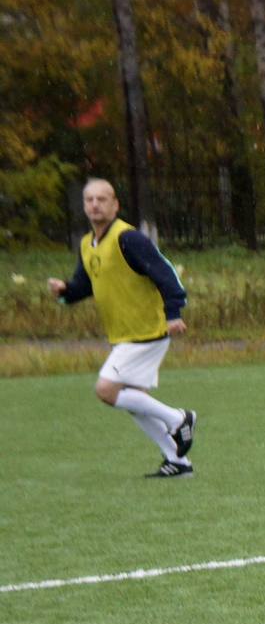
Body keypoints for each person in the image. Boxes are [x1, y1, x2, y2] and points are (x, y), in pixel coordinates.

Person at [46, 178, 196, 478]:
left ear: (115, 205)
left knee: (106, 390)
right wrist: (63, 291)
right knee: (134, 400)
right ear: (84, 206)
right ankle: (177, 461)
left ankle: (179, 417)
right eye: (89, 200)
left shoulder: (128, 238)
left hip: (146, 331)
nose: (95, 204)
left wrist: (173, 312)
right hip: (124, 334)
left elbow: (165, 273)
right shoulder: (88, 246)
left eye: (102, 199)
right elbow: (83, 286)